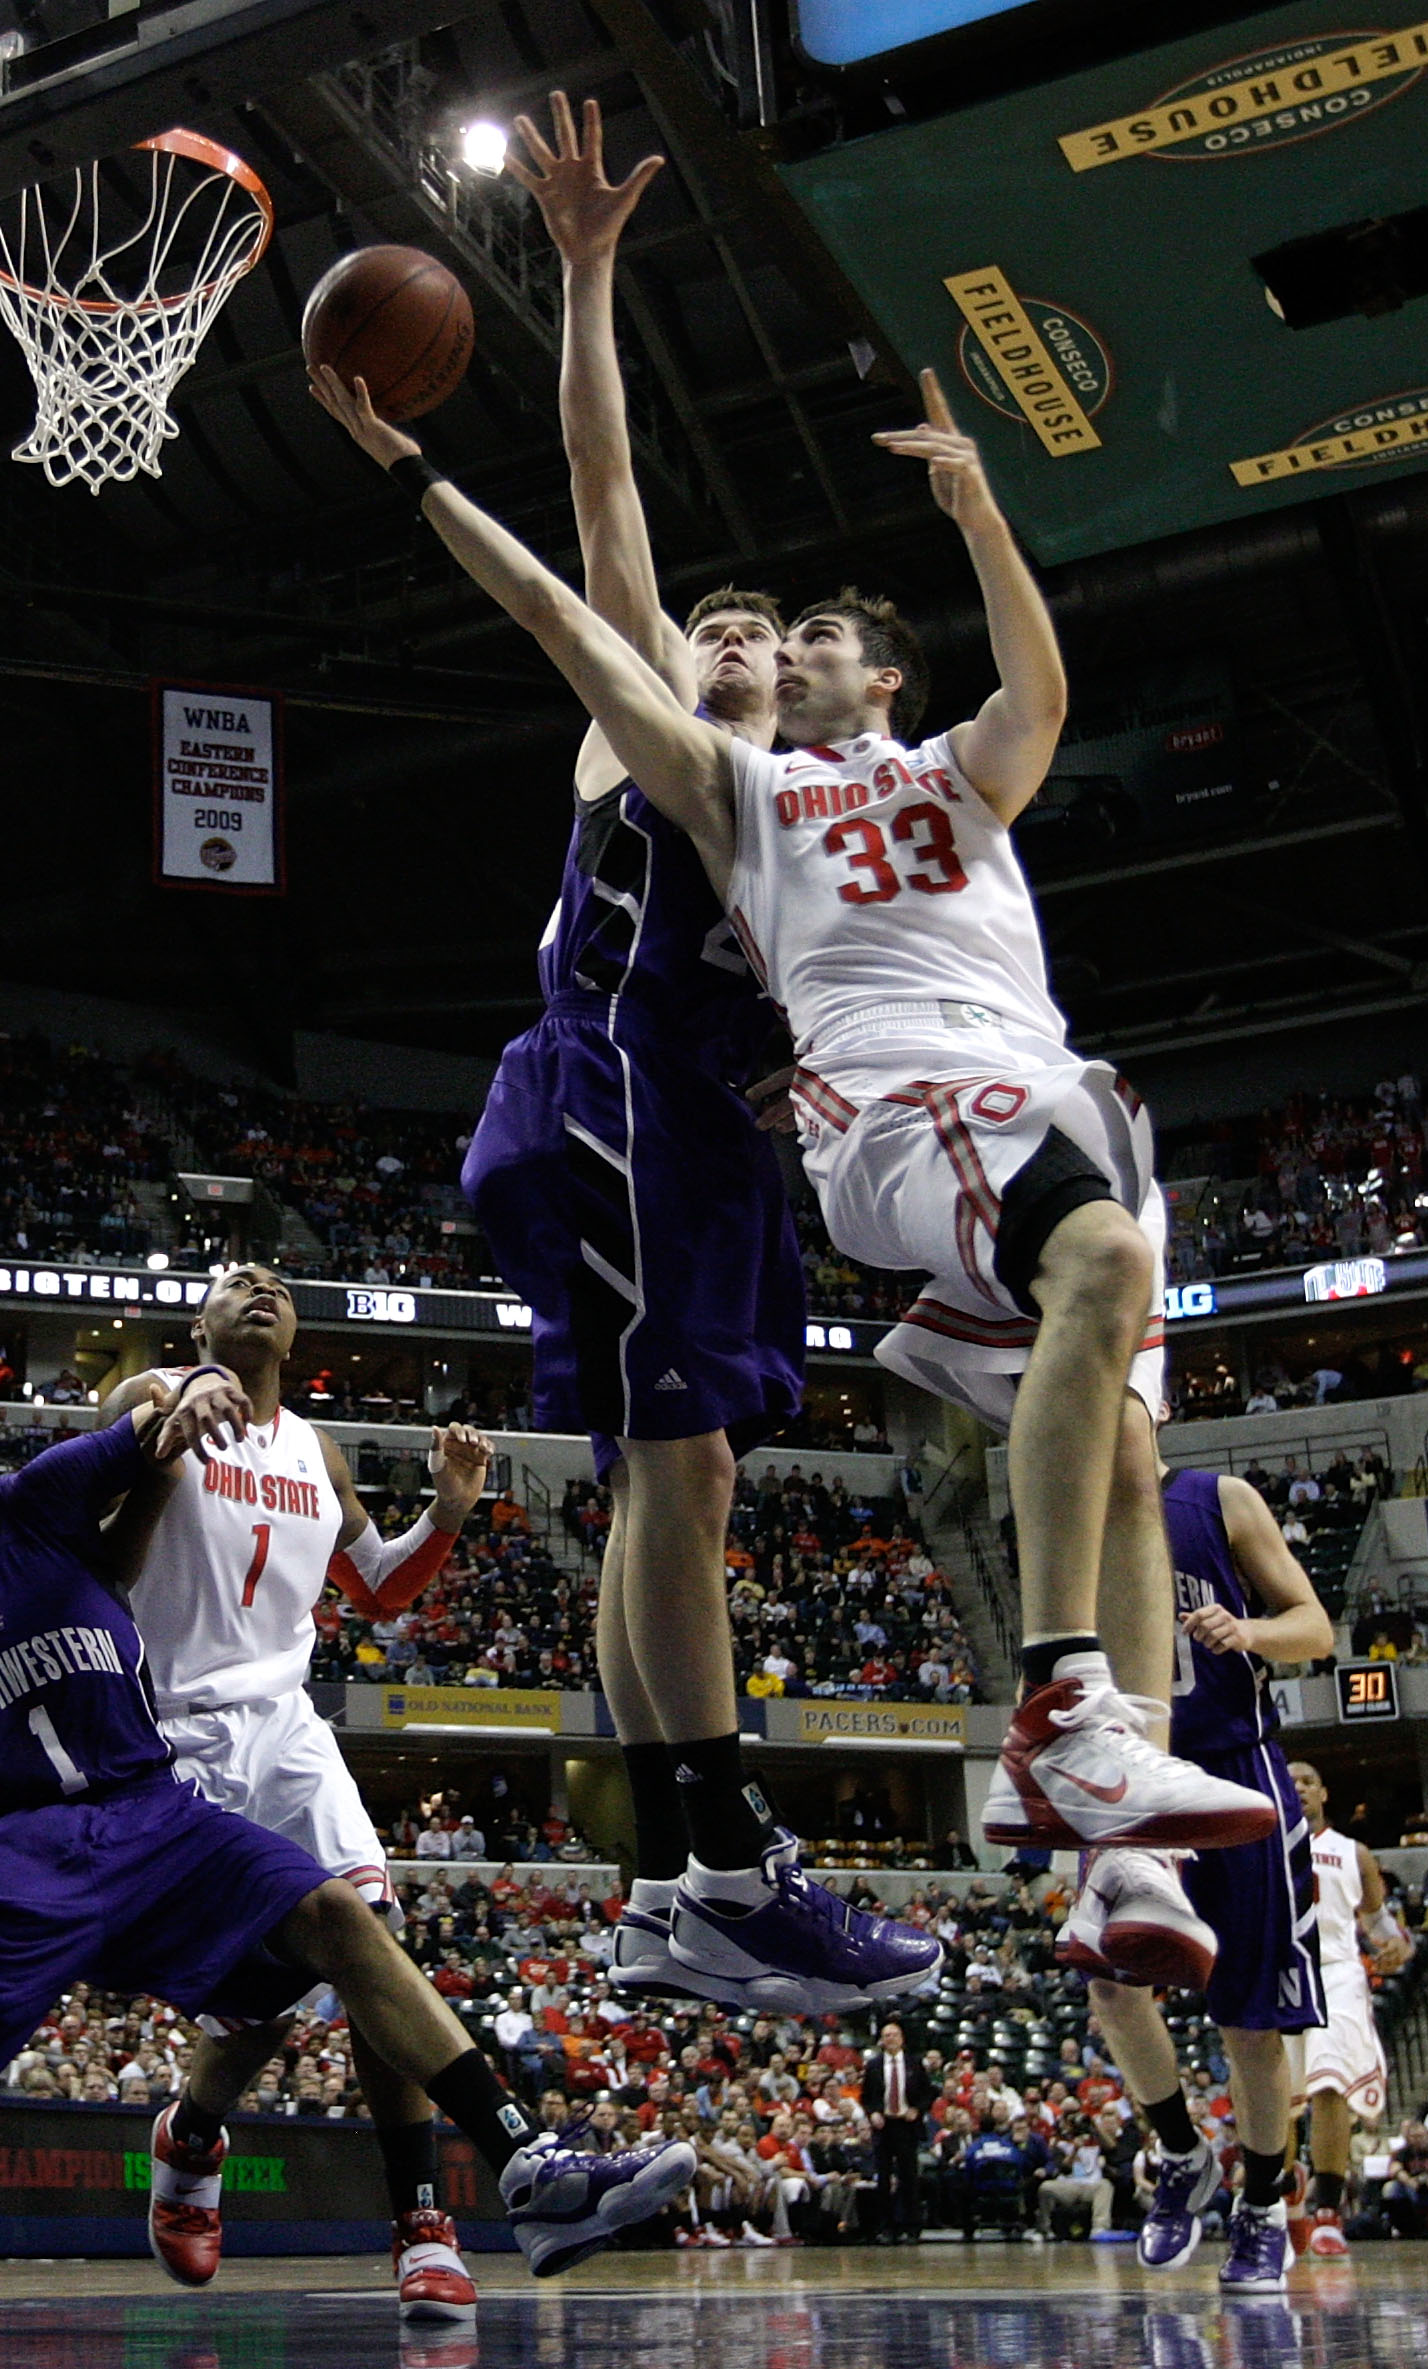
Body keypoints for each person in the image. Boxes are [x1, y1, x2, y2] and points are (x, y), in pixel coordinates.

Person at [301, 360, 1268, 1865]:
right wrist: (414, 464)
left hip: (967, 1094)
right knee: (676, 1471)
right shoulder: (722, 784)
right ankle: (856, 1792)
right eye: (732, 629)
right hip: (791, 1093)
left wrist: (979, 512)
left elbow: (1041, 695)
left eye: (793, 630)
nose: (762, 641)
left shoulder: (945, 770)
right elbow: (582, 582)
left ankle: (1121, 1839)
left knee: (1120, 1448)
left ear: (880, 677)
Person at [0, 1389, 692, 2333]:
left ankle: (525, 2163)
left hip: (149, 1809)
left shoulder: (42, 1500)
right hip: (11, 1844)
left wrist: (199, 1397)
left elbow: (152, 1425)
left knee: (339, 1916)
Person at [460, 95, 932, 2013]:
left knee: (685, 1482)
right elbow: (598, 487)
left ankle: (664, 1878)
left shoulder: (804, 809)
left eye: (760, 624)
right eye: (716, 622)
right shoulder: (646, 713)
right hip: (607, 1086)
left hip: (693, 1126)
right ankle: (728, 1853)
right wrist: (581, 279)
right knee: (679, 1474)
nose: (732, 635)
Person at [96, 1261, 503, 2319]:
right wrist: (171, 1404)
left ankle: (420, 2219)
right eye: (236, 1280)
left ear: (296, 1331)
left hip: (286, 1724)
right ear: (201, 1323)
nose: (261, 1288)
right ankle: (189, 2127)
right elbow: (111, 1431)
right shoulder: (154, 1396)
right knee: (261, 2001)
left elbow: (377, 1591)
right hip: (172, 1726)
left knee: (369, 1935)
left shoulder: (315, 1446)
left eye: (276, 1281)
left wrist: (447, 1514)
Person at [1069, 1461, 1335, 2293]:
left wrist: (1252, 1633)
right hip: (1131, 1774)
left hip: (1235, 1772)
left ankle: (1262, 2205)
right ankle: (1182, 2151)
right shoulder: (1067, 1501)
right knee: (1110, 1986)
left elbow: (1315, 1628)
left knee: (1249, 2021)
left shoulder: (1218, 1499)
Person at [1292, 1759, 1389, 2256]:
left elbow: (1381, 1927)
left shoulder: (1354, 1853)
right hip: (1280, 1970)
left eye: (1307, 1781)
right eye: (1289, 1783)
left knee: (1329, 2083)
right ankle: (1282, 2203)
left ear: (1324, 1792)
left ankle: (1327, 2208)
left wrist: (1397, 1947)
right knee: (1278, 2097)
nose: (1299, 1789)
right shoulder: (1256, 1845)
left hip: (1336, 1971)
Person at [863, 2020, 936, 2242]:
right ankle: (887, 2228)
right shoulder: (874, 2065)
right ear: (882, 2041)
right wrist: (873, 2112)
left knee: (909, 2178)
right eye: (886, 2036)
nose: (891, 2039)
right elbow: (866, 2096)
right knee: (883, 2179)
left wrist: (917, 2109)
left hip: (906, 2124)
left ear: (902, 2038)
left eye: (894, 2035)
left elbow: (928, 2093)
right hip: (883, 2125)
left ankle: (912, 2227)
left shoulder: (914, 2063)